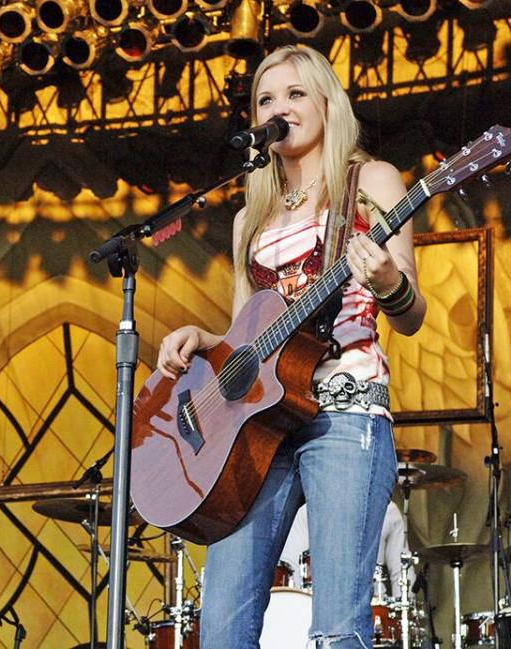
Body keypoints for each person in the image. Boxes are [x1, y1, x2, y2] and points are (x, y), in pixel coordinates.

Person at [156, 45, 426, 648]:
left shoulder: (371, 181)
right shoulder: (248, 217)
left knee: (337, 629)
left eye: (295, 94)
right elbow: (242, 336)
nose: (280, 108)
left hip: (345, 413)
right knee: (222, 629)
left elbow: (412, 316)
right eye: (266, 99)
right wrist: (204, 340)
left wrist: (386, 281)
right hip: (259, 430)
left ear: (329, 104)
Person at [280, 502, 414, 599]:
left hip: (373, 611)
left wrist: (401, 626)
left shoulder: (388, 510)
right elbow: (290, 571)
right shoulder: (308, 511)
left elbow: (402, 573)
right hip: (318, 609)